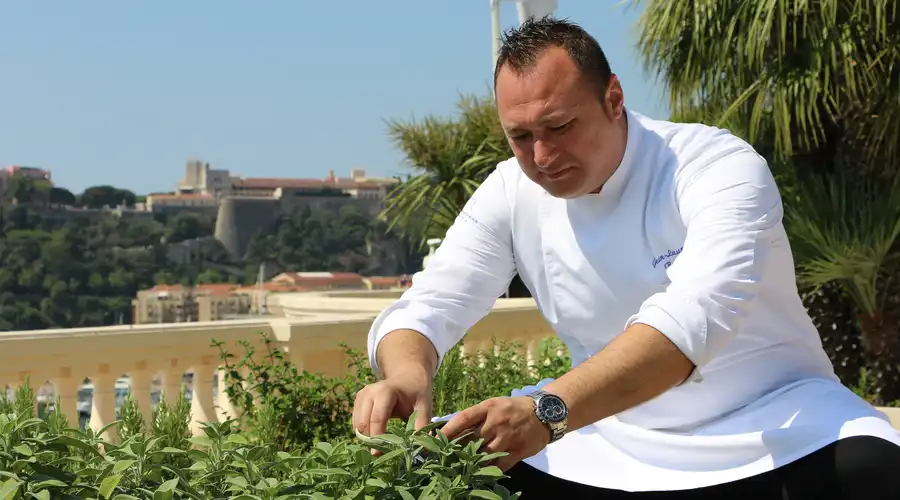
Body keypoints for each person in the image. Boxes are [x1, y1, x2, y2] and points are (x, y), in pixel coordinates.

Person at [352, 16, 900, 499]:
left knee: (875, 470)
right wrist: (404, 375)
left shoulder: (715, 166)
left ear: (613, 98)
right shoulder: (509, 192)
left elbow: (687, 326)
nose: (542, 157)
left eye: (560, 127)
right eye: (520, 137)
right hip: (601, 437)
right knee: (423, 472)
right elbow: (428, 304)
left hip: (772, 424)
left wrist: (547, 411)